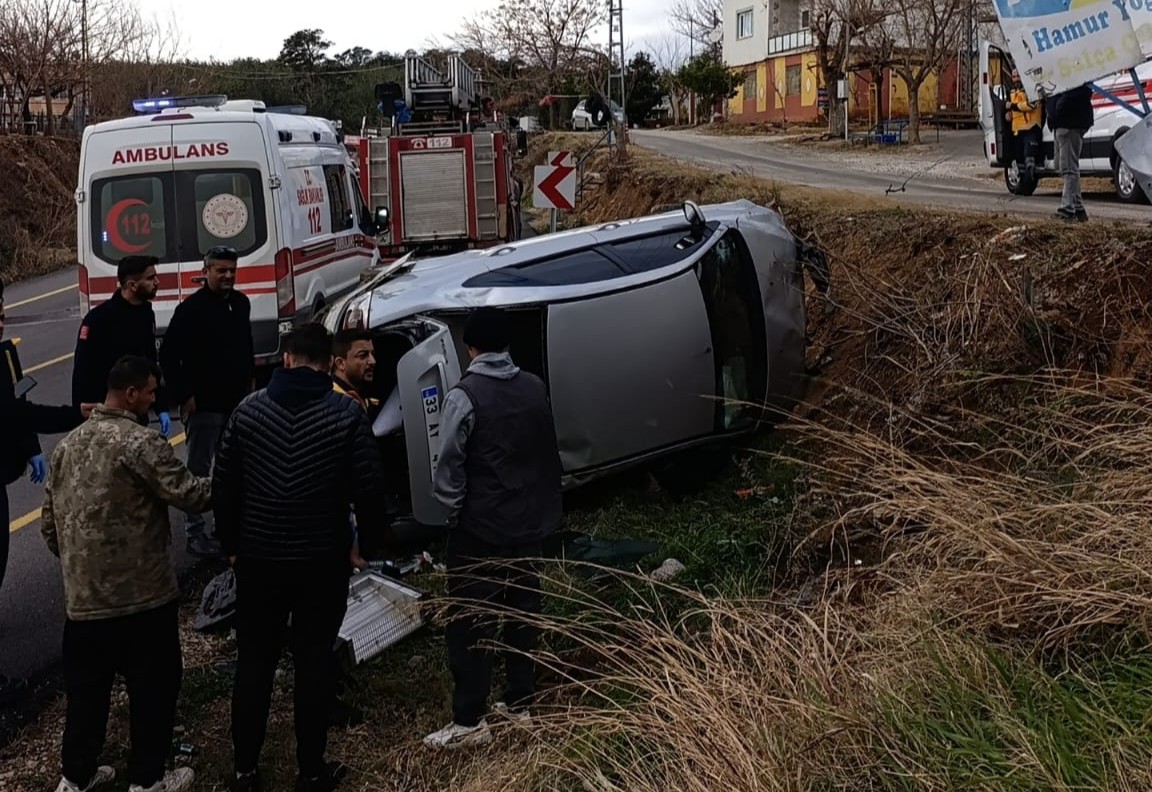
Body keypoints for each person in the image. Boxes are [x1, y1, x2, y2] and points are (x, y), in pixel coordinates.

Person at [212, 323, 389, 792]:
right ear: (330, 363)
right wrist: (365, 547)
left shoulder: (247, 413)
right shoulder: (345, 415)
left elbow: (223, 487)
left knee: (255, 664)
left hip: (259, 560)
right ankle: (311, 771)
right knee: (313, 663)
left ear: (286, 359)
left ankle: (245, 772)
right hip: (322, 560)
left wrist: (230, 546)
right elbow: (371, 490)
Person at [41, 356, 213, 792]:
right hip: (142, 598)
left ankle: (76, 776)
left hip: (84, 603)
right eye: (152, 392)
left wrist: (82, 565)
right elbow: (190, 495)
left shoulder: (67, 447)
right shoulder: (141, 444)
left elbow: (49, 525)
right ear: (131, 393)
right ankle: (148, 777)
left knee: (86, 696)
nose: (156, 400)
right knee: (152, 689)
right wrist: (234, 480)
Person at [423, 307, 563, 750]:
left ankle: (469, 720)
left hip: (480, 529)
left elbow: (448, 466)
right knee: (523, 614)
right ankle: (520, 704)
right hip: (529, 522)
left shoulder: (464, 396)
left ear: (471, 348)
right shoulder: (534, 386)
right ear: (508, 345)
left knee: (469, 622)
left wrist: (452, 514)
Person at [0, 278, 97, 706]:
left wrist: (31, 449)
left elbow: (19, 403)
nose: (1, 323)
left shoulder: (4, 353)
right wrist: (74, 415)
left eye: (2, 314)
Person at [159, 246, 254, 558]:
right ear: (206, 271)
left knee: (232, 468)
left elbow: (245, 346)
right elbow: (169, 356)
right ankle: (195, 533)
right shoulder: (190, 310)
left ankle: (225, 526)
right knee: (199, 472)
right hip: (204, 408)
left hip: (236, 404)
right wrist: (185, 395)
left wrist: (249, 383)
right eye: (220, 270)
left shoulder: (241, 304)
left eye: (231, 270)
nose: (227, 276)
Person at [72, 255, 172, 437]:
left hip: (137, 414)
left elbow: (150, 363)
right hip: (106, 416)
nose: (157, 282)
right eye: (150, 278)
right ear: (132, 285)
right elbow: (82, 371)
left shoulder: (146, 313)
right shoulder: (99, 320)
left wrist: (161, 406)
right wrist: (81, 415)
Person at [1046, 82, 1095, 222]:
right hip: (1068, 122)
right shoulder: (1072, 73)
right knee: (1071, 168)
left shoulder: (1071, 76)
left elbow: (1078, 92)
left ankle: (1067, 209)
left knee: (1068, 169)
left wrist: (1057, 109)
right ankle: (1078, 208)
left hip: (1069, 123)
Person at [1006, 69, 1042, 182]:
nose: (1016, 79)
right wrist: (1008, 115)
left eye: (1018, 76)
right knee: (1018, 159)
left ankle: (1030, 176)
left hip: (1031, 128)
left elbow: (1033, 105)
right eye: (1014, 76)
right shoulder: (1011, 92)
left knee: (1029, 158)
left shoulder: (1032, 89)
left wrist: (1013, 106)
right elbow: (1010, 111)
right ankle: (1023, 184)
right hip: (1017, 130)